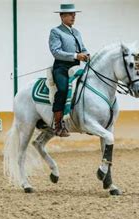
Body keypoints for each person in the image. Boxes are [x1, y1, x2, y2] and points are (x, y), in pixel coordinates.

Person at [49, 3, 89, 137]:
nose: (73, 17)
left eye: (74, 14)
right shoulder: (56, 31)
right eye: (70, 14)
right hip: (61, 68)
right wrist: (75, 56)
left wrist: (86, 55)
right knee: (64, 89)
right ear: (62, 16)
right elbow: (56, 52)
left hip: (75, 68)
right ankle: (58, 125)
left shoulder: (77, 32)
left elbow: (82, 48)